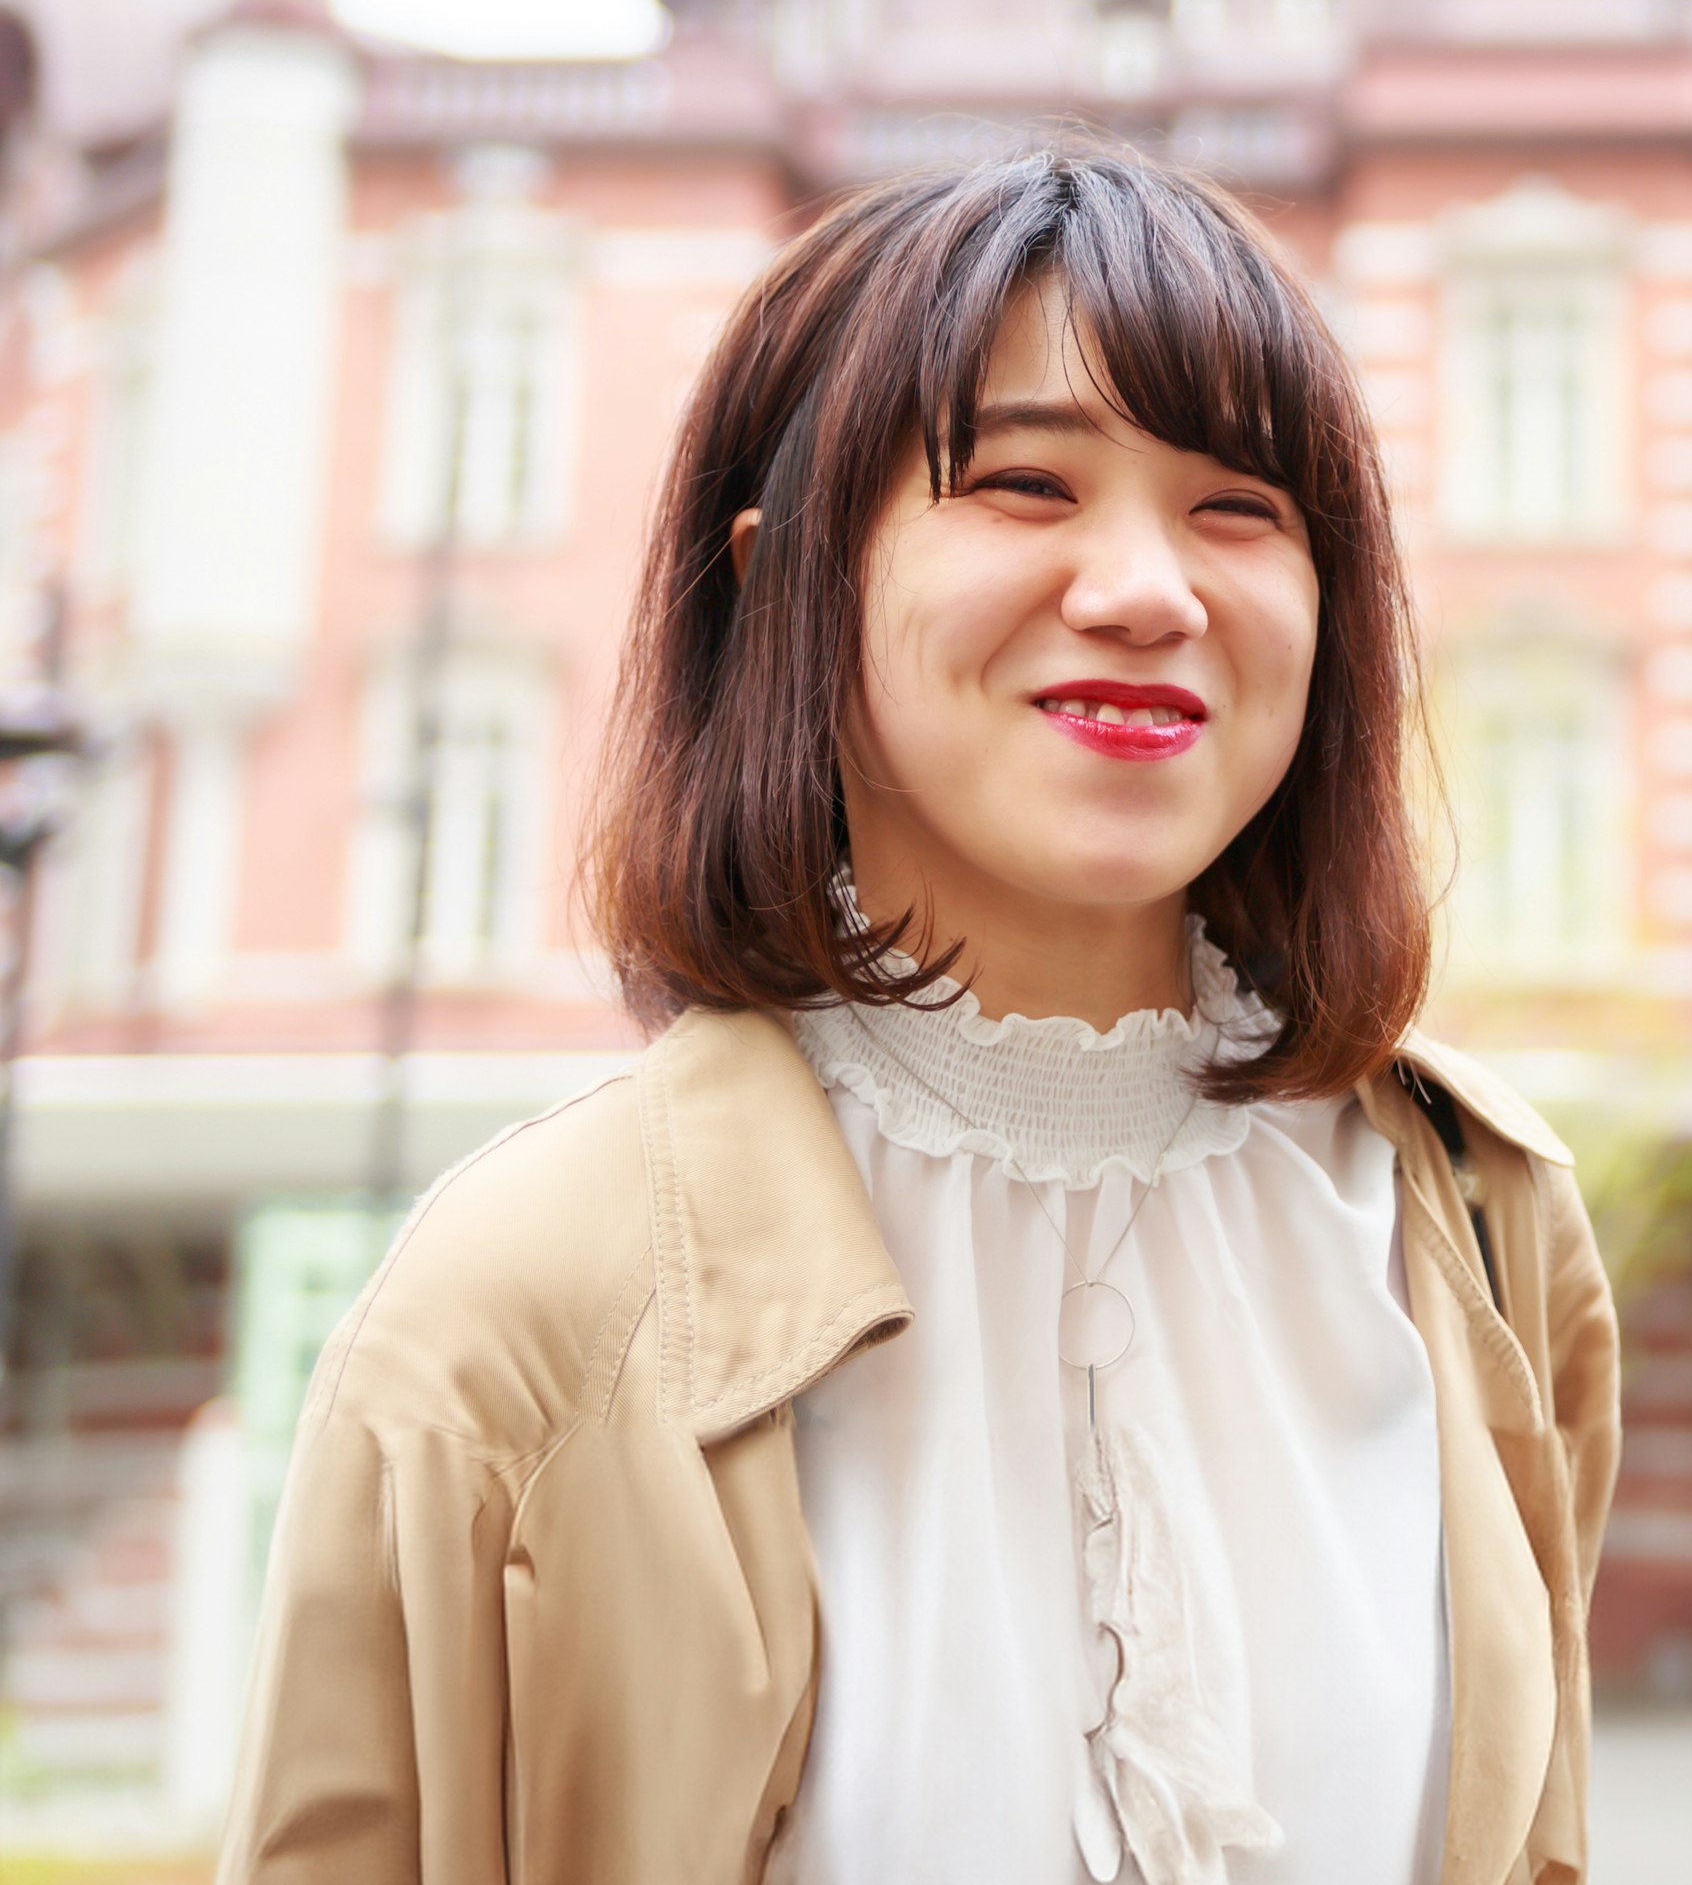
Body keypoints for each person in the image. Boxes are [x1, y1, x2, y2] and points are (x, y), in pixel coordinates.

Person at [218, 148, 1618, 1885]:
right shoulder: (518, 1305)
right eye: (1027, 483)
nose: (1148, 590)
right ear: (779, 576)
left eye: (1241, 506)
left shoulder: (1477, 1218)